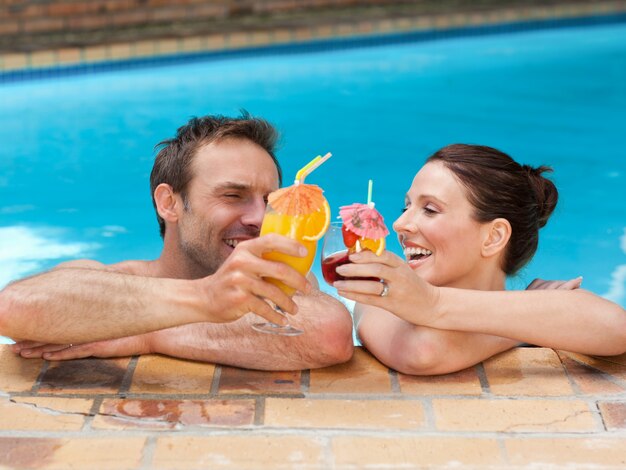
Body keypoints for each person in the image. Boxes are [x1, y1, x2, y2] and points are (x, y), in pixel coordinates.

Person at [0, 113, 353, 370]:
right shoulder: (118, 279)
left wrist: (146, 335)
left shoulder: (277, 281)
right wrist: (204, 299)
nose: (259, 219)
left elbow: (331, 335)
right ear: (168, 203)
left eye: (271, 200)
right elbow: (15, 308)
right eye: (233, 195)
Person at [334, 144, 626, 375]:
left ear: (493, 237)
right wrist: (529, 329)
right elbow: (423, 351)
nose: (399, 224)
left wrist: (432, 303)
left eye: (430, 210)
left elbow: (616, 328)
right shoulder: (376, 295)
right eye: (406, 206)